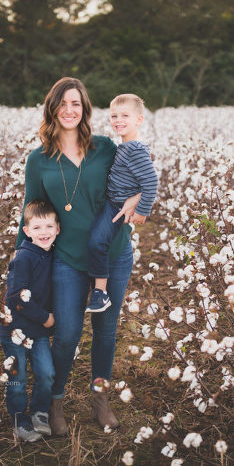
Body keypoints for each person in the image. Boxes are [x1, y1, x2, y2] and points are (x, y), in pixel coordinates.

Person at [16, 77, 141, 435]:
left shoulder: (105, 148)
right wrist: (19, 265)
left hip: (114, 253)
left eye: (76, 104)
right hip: (68, 258)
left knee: (106, 333)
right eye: (62, 103)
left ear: (85, 109)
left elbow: (139, 174)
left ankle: (99, 399)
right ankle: (55, 402)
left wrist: (139, 200)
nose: (69, 110)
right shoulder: (39, 160)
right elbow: (30, 210)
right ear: (52, 108)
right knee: (67, 333)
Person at [85, 94, 158, 313]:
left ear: (139, 119)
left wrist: (142, 210)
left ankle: (100, 292)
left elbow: (151, 180)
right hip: (113, 202)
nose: (118, 120)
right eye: (114, 115)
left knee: (97, 242)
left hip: (117, 206)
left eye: (125, 115)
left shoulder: (134, 150)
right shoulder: (123, 147)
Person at [0, 200, 59, 442]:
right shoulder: (24, 257)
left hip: (38, 331)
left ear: (58, 229)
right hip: (14, 328)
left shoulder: (54, 255)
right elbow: (15, 297)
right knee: (18, 377)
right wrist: (45, 317)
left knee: (46, 373)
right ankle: (19, 420)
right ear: (26, 231)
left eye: (48, 227)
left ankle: (39, 412)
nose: (43, 233)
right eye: (36, 228)